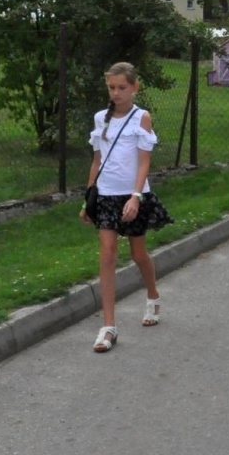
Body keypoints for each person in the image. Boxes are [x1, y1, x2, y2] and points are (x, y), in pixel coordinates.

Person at [81, 62, 174, 353]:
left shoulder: (141, 117)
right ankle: (108, 326)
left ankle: (153, 296)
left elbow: (144, 161)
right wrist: (89, 199)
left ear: (135, 87)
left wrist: (136, 196)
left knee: (138, 253)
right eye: (112, 88)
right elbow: (97, 160)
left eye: (122, 87)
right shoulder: (101, 119)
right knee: (107, 255)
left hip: (132, 195)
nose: (117, 93)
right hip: (107, 195)